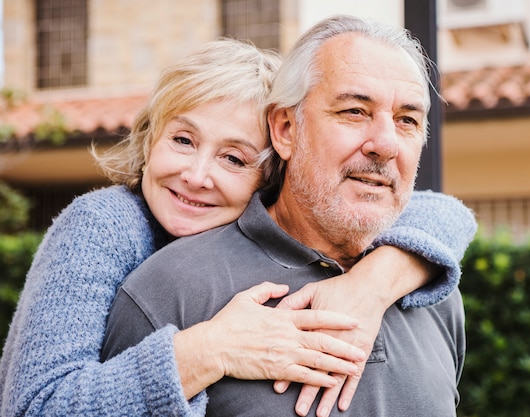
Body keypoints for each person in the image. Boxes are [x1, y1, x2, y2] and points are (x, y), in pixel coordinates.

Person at [0, 37, 475, 417]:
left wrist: (371, 285)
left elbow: (444, 213)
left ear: (274, 168)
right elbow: (34, 406)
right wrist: (211, 349)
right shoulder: (106, 226)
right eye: (183, 139)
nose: (197, 175)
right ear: (149, 140)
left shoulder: (406, 262)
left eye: (233, 158)